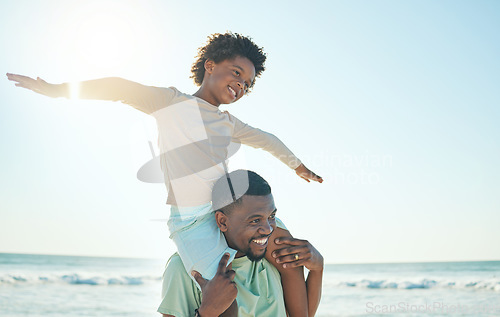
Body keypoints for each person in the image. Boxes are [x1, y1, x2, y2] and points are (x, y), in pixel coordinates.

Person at [7, 32, 323, 316]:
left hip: (228, 210)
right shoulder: (172, 103)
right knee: (225, 296)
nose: (241, 85)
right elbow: (119, 88)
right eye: (237, 73)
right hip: (192, 222)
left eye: (247, 83)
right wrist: (57, 90)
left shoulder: (228, 123)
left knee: (287, 251)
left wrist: (296, 165)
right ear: (210, 66)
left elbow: (265, 139)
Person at [158, 170, 324, 317]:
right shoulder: (182, 268)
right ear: (222, 221)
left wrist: (317, 269)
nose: (267, 229)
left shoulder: (273, 249)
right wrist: (206, 314)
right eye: (255, 220)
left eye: (271, 217)